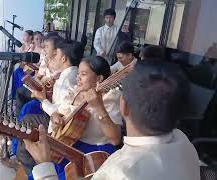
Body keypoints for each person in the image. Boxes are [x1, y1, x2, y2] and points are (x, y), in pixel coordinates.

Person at [25, 60, 201, 180]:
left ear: (123, 106)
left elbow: (114, 139)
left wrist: (44, 166)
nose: (79, 77)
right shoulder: (185, 144)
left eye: (84, 74)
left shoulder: (119, 171)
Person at [15, 40, 84, 175]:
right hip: (52, 113)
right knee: (27, 118)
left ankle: (32, 169)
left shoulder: (67, 79)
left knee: (26, 121)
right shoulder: (67, 74)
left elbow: (60, 112)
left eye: (56, 55)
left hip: (56, 123)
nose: (53, 57)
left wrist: (42, 99)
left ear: (63, 58)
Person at [11, 30, 35, 98]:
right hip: (22, 67)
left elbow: (31, 61)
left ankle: (20, 96)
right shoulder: (23, 46)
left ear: (30, 37)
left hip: (30, 69)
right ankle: (14, 95)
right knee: (15, 73)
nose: (23, 37)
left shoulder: (32, 47)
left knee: (21, 76)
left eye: (25, 35)